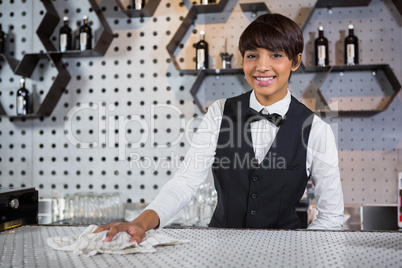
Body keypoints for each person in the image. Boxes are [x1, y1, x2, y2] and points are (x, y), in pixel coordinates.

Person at [95, 13, 344, 243]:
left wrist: (305, 252)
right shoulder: (219, 112)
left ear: (295, 61)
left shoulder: (317, 130)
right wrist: (141, 223)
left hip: (284, 252)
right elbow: (185, 182)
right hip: (220, 249)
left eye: (276, 55)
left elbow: (331, 216)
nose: (262, 66)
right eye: (252, 55)